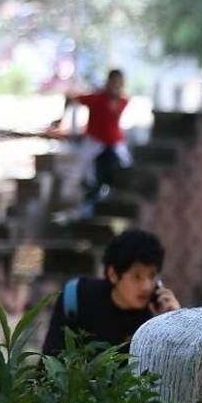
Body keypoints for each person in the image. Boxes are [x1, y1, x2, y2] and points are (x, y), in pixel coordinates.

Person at [41, 228, 180, 356]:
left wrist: (176, 322)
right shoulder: (77, 298)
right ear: (113, 274)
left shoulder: (154, 317)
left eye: (152, 276)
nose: (147, 286)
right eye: (137, 277)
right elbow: (49, 361)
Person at [51, 69, 132, 213]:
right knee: (84, 172)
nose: (115, 86)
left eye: (118, 83)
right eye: (113, 82)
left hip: (114, 143)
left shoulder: (123, 101)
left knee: (126, 167)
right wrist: (62, 119)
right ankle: (83, 204)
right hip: (95, 142)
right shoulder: (97, 98)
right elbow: (71, 98)